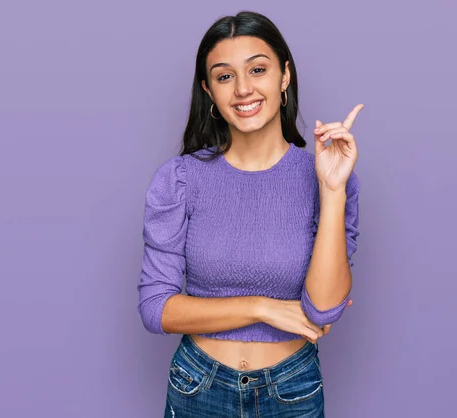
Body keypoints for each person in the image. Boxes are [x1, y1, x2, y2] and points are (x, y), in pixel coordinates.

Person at [137, 10, 363, 417]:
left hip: (292, 388)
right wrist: (262, 307)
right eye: (225, 76)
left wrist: (332, 191)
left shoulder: (326, 178)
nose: (243, 89)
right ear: (209, 91)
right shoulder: (180, 180)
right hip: (197, 386)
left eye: (257, 69)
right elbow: (157, 308)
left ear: (284, 77)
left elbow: (324, 310)